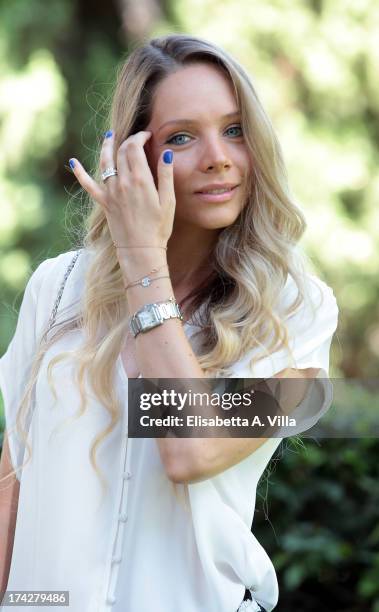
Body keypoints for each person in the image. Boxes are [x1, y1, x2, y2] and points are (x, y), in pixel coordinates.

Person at [0, 33, 339, 612]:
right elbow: (14, 478)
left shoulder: (298, 311)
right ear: (128, 154)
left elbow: (191, 448)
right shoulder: (55, 288)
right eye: (182, 137)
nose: (218, 156)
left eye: (235, 130)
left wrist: (142, 263)